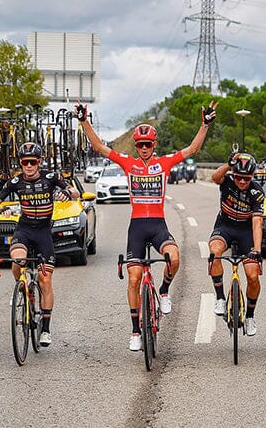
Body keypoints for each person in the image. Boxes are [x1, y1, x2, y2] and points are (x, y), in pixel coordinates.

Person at [75, 100, 217, 351]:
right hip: (137, 227)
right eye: (139, 145)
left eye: (147, 144)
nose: (143, 148)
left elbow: (192, 149)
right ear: (136, 146)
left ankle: (163, 291)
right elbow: (98, 146)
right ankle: (135, 331)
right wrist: (84, 120)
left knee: (173, 258)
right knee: (134, 277)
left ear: (154, 145)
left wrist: (204, 125)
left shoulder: (163, 164)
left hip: (158, 224)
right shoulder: (128, 164)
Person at [0, 142, 78, 347]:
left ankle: (45, 329)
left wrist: (67, 193)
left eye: (32, 162)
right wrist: (1, 210)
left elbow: (75, 193)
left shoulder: (51, 177)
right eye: (25, 162)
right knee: (18, 260)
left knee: (45, 280)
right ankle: (20, 286)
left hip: (44, 232)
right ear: (20, 163)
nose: (28, 166)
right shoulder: (15, 181)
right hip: (24, 230)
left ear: (39, 161)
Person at [208, 153, 265, 336]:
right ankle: (220, 299)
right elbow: (215, 177)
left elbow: (257, 223)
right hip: (225, 226)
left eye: (246, 178)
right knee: (215, 252)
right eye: (238, 176)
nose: (241, 181)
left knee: (253, 276)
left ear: (252, 176)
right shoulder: (228, 181)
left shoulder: (257, 192)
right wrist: (228, 165)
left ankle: (249, 316)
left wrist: (257, 250)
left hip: (245, 231)